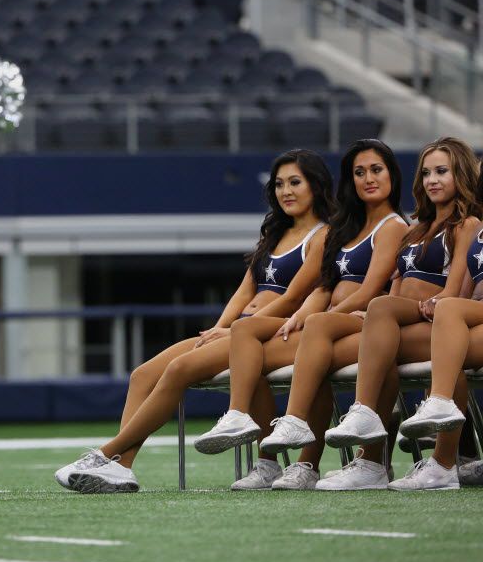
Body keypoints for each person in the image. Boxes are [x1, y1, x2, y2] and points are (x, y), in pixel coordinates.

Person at [55, 149, 334, 493]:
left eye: (295, 182)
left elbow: (292, 298)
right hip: (240, 330)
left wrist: (235, 330)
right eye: (279, 184)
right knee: (142, 374)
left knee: (179, 370)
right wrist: (222, 326)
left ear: (316, 186)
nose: (285, 191)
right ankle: (123, 468)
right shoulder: (274, 235)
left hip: (273, 333)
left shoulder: (322, 236)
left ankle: (106, 453)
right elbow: (243, 292)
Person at [194, 138, 408, 490]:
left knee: (290, 348)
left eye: (376, 170)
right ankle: (262, 443)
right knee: (252, 342)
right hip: (335, 323)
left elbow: (370, 291)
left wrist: (320, 317)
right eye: (358, 172)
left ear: (393, 176)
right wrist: (306, 315)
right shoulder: (350, 228)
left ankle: (311, 453)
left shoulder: (393, 226)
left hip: (365, 323)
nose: (367, 178)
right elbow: (325, 285)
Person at [297, 138, 482, 489]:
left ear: (460, 173)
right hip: (408, 319)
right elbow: (397, 285)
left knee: (380, 312)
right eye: (426, 173)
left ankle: (441, 463)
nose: (432, 180)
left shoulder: (466, 223)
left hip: (436, 320)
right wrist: (375, 321)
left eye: (442, 171)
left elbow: (454, 289)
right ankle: (371, 461)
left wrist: (423, 304)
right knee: (358, 341)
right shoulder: (416, 228)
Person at [385, 127, 483, 489]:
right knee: (436, 331)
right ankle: (450, 457)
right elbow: (462, 295)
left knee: (448, 344)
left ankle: (441, 419)